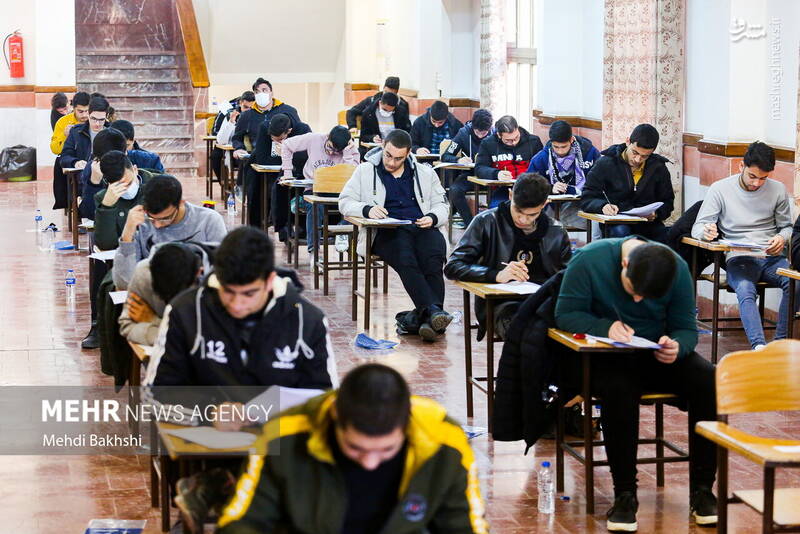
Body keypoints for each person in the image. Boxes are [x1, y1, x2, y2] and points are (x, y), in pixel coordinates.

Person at [143, 227, 337, 532]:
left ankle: (219, 490)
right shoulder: (185, 311)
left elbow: (326, 400)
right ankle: (221, 489)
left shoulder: (306, 320)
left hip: (281, 448)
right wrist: (209, 413)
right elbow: (155, 394)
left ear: (270, 281)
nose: (237, 304)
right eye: (228, 292)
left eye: (249, 294)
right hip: (207, 445)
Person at [554, 237, 717, 531]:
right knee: (619, 389)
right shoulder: (589, 260)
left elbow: (685, 328)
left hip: (654, 354)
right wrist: (605, 327)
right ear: (624, 264)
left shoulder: (676, 267)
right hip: (605, 356)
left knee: (709, 381)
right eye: (634, 291)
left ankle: (703, 490)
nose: (639, 300)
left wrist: (677, 346)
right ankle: (625, 494)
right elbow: (565, 315)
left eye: (647, 295)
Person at [216, 363, 488, 534]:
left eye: (386, 450)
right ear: (335, 414)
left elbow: (465, 526)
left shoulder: (444, 443)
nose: (369, 463)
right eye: (355, 448)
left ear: (407, 422)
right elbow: (242, 520)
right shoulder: (284, 436)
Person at [339, 129, 451, 341]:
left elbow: (442, 205)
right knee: (405, 257)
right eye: (388, 155)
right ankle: (434, 313)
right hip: (386, 231)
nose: (391, 162)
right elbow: (344, 202)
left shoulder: (425, 173)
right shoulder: (365, 171)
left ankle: (425, 318)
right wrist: (366, 209)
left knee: (433, 258)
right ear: (383, 147)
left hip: (421, 226)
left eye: (398, 158)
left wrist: (432, 217)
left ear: (408, 154)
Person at [692, 141, 795, 350]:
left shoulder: (778, 189)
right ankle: (759, 347)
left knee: (795, 283)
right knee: (745, 288)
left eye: (763, 178)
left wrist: (781, 238)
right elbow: (698, 227)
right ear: (741, 166)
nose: (757, 183)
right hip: (739, 257)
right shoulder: (720, 189)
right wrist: (706, 232)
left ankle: (779, 345)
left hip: (771, 256)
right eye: (752, 176)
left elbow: (787, 227)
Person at [445, 173, 571, 339]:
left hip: (544, 302)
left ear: (544, 204)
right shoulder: (486, 222)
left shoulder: (556, 231)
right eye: (518, 211)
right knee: (528, 330)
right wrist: (496, 275)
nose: (523, 219)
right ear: (510, 195)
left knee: (564, 329)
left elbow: (569, 275)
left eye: (532, 215)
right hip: (502, 304)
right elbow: (453, 266)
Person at [112, 175, 227, 290]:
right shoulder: (140, 222)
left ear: (181, 203)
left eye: (165, 218)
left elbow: (222, 273)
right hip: (154, 294)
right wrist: (127, 235)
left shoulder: (208, 220)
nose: (157, 225)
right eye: (152, 218)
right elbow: (124, 283)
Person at [581, 123, 674, 242]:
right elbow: (587, 197)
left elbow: (668, 202)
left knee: (670, 236)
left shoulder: (658, 167)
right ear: (627, 141)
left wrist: (656, 213)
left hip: (647, 224)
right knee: (622, 232)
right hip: (616, 223)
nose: (638, 159)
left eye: (644, 156)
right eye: (635, 152)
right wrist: (603, 206)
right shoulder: (606, 163)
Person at [280, 125, 359, 252]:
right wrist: (287, 172)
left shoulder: (351, 150)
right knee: (315, 206)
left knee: (356, 202)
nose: (331, 153)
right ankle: (314, 250)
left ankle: (342, 231)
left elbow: (352, 175)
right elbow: (287, 145)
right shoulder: (315, 139)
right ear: (328, 137)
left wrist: (347, 154)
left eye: (337, 152)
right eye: (330, 147)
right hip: (314, 189)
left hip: (338, 191)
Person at [119, 242, 205, 346]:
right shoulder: (144, 273)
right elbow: (126, 326)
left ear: (199, 273)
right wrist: (167, 337)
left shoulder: (215, 285)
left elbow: (202, 338)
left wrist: (153, 320)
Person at [527, 119, 600, 229]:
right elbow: (529, 186)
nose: (560, 151)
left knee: (597, 223)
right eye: (556, 147)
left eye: (564, 147)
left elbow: (601, 179)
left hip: (584, 203)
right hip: (552, 206)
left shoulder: (590, 153)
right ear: (551, 142)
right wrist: (550, 188)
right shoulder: (541, 158)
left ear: (571, 140)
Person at [249, 113, 311, 231]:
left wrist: (286, 153)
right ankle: (281, 227)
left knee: (298, 190)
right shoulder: (264, 127)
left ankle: (301, 228)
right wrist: (285, 155)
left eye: (281, 139)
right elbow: (262, 159)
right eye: (274, 139)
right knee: (274, 188)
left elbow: (306, 158)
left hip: (298, 172)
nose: (278, 142)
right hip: (270, 173)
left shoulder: (303, 129)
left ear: (289, 131)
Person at [474, 115, 543, 208]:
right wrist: (497, 174)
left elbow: (543, 167)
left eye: (516, 137)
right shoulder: (488, 144)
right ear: (499, 135)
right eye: (508, 140)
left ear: (518, 129)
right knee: (497, 209)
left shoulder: (533, 141)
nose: (514, 142)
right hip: (503, 189)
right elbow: (479, 168)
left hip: (530, 188)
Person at [441, 108, 493, 227]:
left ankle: (492, 224)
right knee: (455, 190)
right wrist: (458, 160)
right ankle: (471, 224)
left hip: (490, 174)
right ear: (472, 126)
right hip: (471, 175)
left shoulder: (495, 134)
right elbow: (446, 155)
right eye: (477, 132)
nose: (480, 136)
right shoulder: (463, 133)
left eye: (484, 133)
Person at [231, 77, 301, 161]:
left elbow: (299, 132)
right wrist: (239, 148)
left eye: (264, 90)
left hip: (287, 155)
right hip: (259, 156)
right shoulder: (247, 115)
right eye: (257, 92)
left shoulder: (288, 110)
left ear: (271, 93)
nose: (261, 94)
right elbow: (237, 138)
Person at [50, 91, 90, 210]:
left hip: (90, 157)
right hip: (72, 158)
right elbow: (55, 149)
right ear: (73, 108)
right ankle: (67, 202)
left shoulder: (95, 120)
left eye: (87, 111)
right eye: (80, 111)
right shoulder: (63, 122)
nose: (84, 115)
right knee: (60, 162)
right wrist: (65, 135)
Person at [355, 91, 412, 158]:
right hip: (376, 149)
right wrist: (372, 138)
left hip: (396, 147)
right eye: (384, 109)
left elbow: (408, 131)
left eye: (390, 111)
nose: (387, 113)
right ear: (380, 103)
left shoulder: (401, 113)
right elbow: (363, 136)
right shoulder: (368, 113)